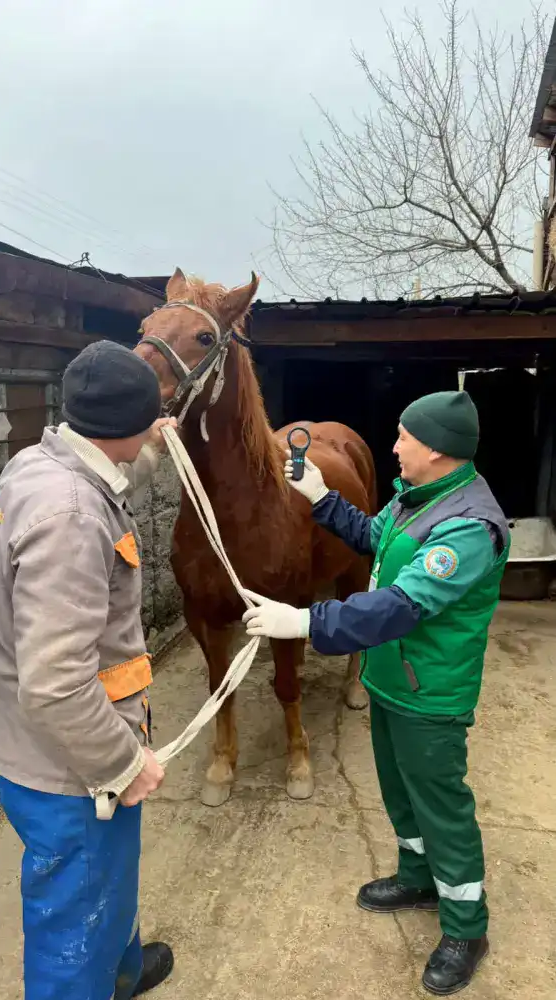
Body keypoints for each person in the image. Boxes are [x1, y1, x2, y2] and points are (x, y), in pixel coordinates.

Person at [242, 390, 510, 996]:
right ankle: (417, 877)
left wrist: (308, 622)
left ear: (436, 448)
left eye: (403, 437)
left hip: (430, 695)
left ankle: (466, 925)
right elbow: (371, 536)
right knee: (400, 793)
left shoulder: (468, 526)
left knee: (442, 808)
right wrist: (319, 496)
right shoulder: (419, 500)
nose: (393, 446)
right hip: (392, 680)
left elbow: (400, 604)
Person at [0, 340, 178, 1000]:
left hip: (42, 743)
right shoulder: (72, 516)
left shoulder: (38, 463)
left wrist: (150, 434)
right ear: (128, 427)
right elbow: (55, 684)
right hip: (71, 770)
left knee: (108, 887)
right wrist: (120, 763)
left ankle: (120, 974)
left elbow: (111, 474)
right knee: (74, 923)